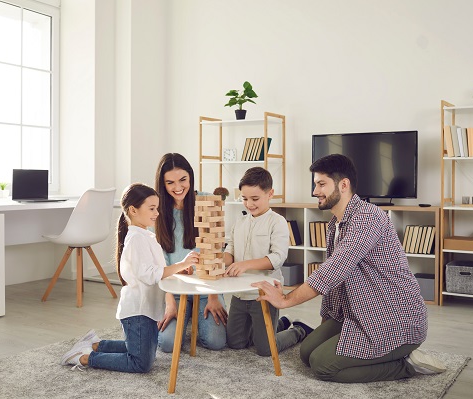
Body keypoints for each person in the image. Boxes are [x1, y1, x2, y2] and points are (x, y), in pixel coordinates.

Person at [253, 154, 446, 382]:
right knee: (307, 353)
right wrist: (326, 320)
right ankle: (386, 356)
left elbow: (332, 271)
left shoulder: (367, 218)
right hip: (358, 312)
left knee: (323, 366)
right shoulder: (336, 223)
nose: (315, 191)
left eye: (321, 184)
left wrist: (285, 300)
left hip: (393, 318)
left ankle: (407, 365)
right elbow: (336, 284)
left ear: (343, 185)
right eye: (315, 184)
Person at [59, 183, 199, 372]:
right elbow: (150, 275)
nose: (157, 212)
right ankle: (83, 357)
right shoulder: (136, 239)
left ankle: (95, 344)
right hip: (137, 312)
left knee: (139, 350)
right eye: (151, 208)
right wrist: (181, 264)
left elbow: (155, 268)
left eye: (156, 208)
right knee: (140, 363)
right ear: (133, 210)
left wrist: (177, 270)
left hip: (147, 309)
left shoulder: (145, 236)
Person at [225, 167, 313, 356]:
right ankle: (278, 323)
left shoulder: (277, 221)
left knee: (265, 348)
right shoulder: (239, 222)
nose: (249, 204)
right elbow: (229, 251)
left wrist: (245, 264)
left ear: (270, 193)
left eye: (254, 199)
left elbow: (277, 258)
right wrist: (216, 260)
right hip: (239, 294)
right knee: (235, 342)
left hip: (265, 293)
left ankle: (298, 330)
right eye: (244, 198)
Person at [154, 153, 228, 352]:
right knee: (168, 344)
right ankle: (183, 315)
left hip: (207, 288)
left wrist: (213, 297)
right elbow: (159, 263)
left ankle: (192, 314)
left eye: (183, 180)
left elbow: (216, 250)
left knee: (215, 341)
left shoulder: (205, 201)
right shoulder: (156, 211)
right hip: (175, 288)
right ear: (163, 184)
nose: (178, 188)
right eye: (170, 183)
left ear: (191, 177)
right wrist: (169, 302)